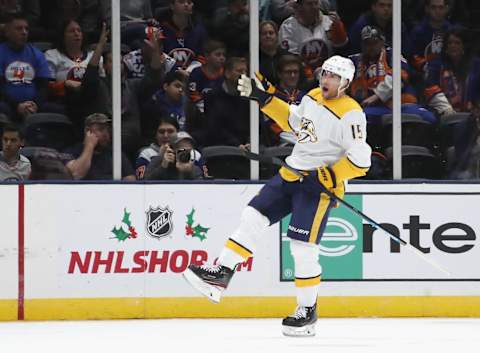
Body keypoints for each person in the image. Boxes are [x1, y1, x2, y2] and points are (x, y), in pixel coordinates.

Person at [183, 55, 372, 337]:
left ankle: (307, 310)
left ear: (345, 83)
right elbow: (295, 123)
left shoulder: (351, 113)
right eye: (325, 74)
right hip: (291, 175)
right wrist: (264, 98)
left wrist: (329, 176)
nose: (326, 80)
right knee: (252, 216)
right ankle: (221, 274)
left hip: (317, 189)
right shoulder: (312, 96)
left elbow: (361, 160)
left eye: (333, 76)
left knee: (302, 248)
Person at [0, 13, 51, 122]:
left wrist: (35, 104)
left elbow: (44, 86)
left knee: (58, 110)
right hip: (8, 105)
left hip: (34, 105)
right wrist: (17, 106)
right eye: (19, 29)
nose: (24, 32)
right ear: (7, 32)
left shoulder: (37, 54)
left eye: (26, 29)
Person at [278, 0, 348, 80]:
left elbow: (342, 50)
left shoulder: (329, 22)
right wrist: (312, 75)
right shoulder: (288, 27)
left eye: (316, 3)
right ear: (299, 6)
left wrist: (339, 28)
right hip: (302, 78)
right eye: (309, 4)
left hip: (330, 74)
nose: (314, 7)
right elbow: (290, 59)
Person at [64, 113, 136, 180]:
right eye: (101, 129)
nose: (105, 134)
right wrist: (89, 146)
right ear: (87, 131)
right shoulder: (72, 151)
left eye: (107, 130)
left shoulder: (115, 154)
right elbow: (76, 174)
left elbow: (130, 179)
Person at [410, 0, 454, 72]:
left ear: (446, 9)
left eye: (441, 7)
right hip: (423, 75)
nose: (437, 11)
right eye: (433, 7)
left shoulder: (452, 31)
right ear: (427, 9)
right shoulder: (418, 32)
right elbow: (413, 57)